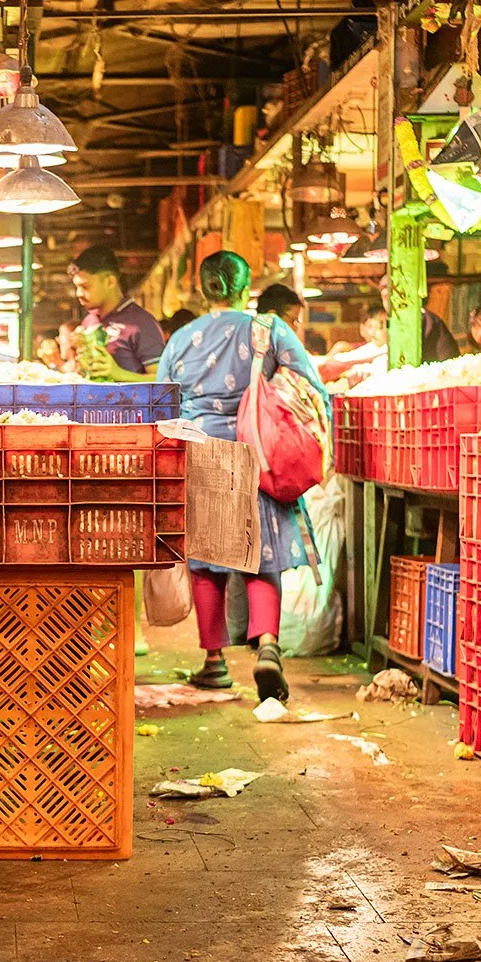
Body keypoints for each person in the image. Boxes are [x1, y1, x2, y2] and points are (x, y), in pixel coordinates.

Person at [158, 250, 330, 701]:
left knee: (206, 562)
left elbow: (162, 404)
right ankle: (268, 646)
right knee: (261, 555)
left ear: (201, 288)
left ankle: (214, 662)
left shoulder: (181, 339)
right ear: (246, 287)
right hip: (260, 454)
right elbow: (311, 385)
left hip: (200, 453)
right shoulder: (269, 330)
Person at [68, 244, 165, 381]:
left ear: (110, 281)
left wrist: (118, 373)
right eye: (76, 287)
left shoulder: (141, 323)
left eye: (85, 286)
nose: (79, 294)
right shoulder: (89, 322)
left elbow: (163, 381)